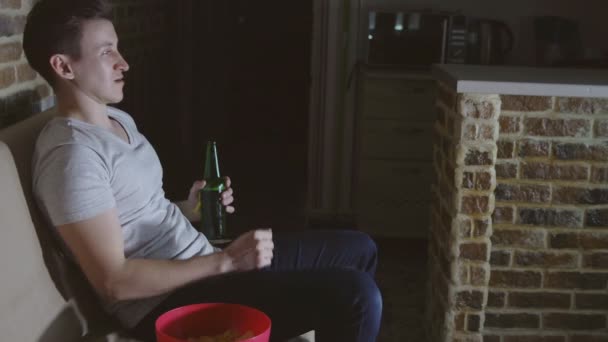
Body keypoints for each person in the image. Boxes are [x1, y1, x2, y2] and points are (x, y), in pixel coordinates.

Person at [23, 0, 382, 341]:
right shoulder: (71, 156)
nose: (123, 62)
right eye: (106, 52)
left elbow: (133, 212)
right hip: (168, 305)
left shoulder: (116, 119)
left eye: (117, 47)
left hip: (198, 262)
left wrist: (187, 208)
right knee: (355, 295)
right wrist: (225, 261)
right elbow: (114, 281)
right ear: (64, 67)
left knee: (359, 248)